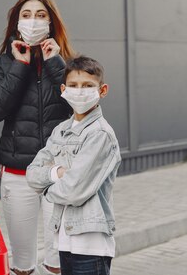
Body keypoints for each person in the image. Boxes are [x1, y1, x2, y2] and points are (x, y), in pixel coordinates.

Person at [0, 0, 75, 275]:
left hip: (57, 175)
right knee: (22, 263)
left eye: (40, 15)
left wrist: (54, 64)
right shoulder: (3, 63)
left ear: (51, 23)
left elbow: (76, 105)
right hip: (18, 173)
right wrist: (20, 65)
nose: (33, 21)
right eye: (26, 15)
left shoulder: (66, 63)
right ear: (16, 23)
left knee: (58, 261)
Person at [26, 56, 120, 275]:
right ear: (63, 89)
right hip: (65, 239)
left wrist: (46, 188)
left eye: (88, 86)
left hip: (91, 243)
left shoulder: (100, 134)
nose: (80, 91)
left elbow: (74, 191)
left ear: (102, 90)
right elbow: (32, 174)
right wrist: (57, 172)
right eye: (74, 85)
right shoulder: (61, 130)